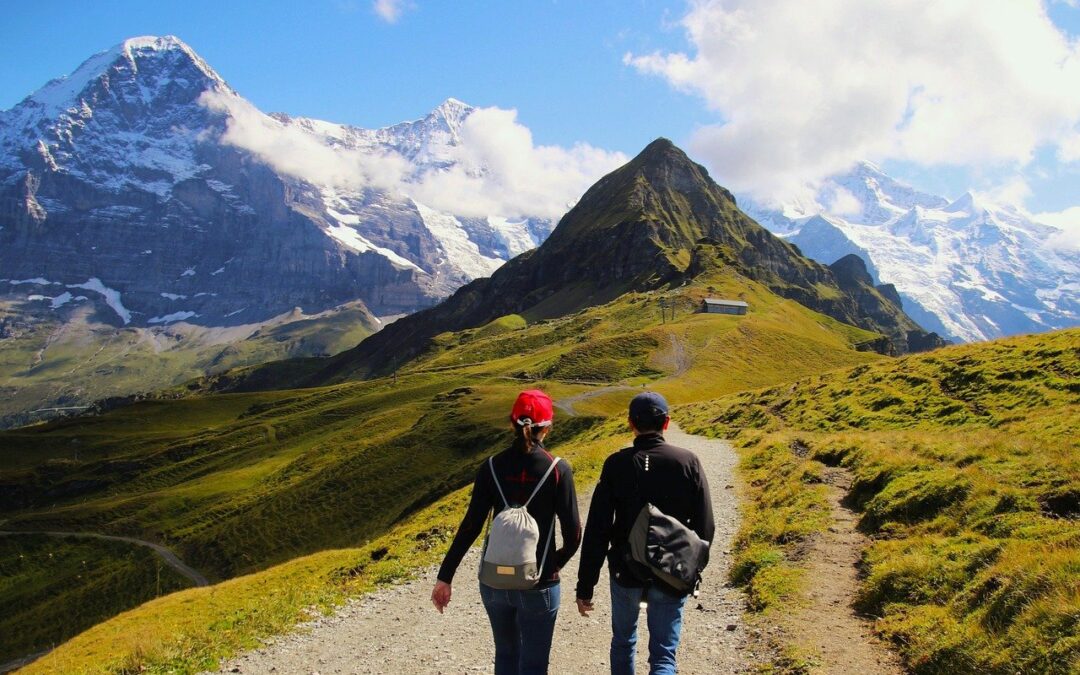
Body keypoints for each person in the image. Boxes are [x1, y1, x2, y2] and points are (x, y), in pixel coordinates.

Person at [431, 389, 581, 675]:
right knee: (535, 664)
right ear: (547, 428)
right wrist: (554, 563)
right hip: (539, 582)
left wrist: (445, 577)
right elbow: (573, 534)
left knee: (506, 655)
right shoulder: (558, 469)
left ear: (511, 423)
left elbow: (470, 525)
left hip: (494, 582)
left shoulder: (490, 467)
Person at [575, 392, 714, 675]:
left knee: (624, 642)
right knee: (663, 655)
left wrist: (585, 585)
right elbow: (705, 527)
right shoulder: (688, 462)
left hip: (625, 572)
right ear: (667, 423)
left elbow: (598, 529)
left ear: (630, 423)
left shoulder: (616, 464)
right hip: (672, 571)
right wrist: (690, 569)